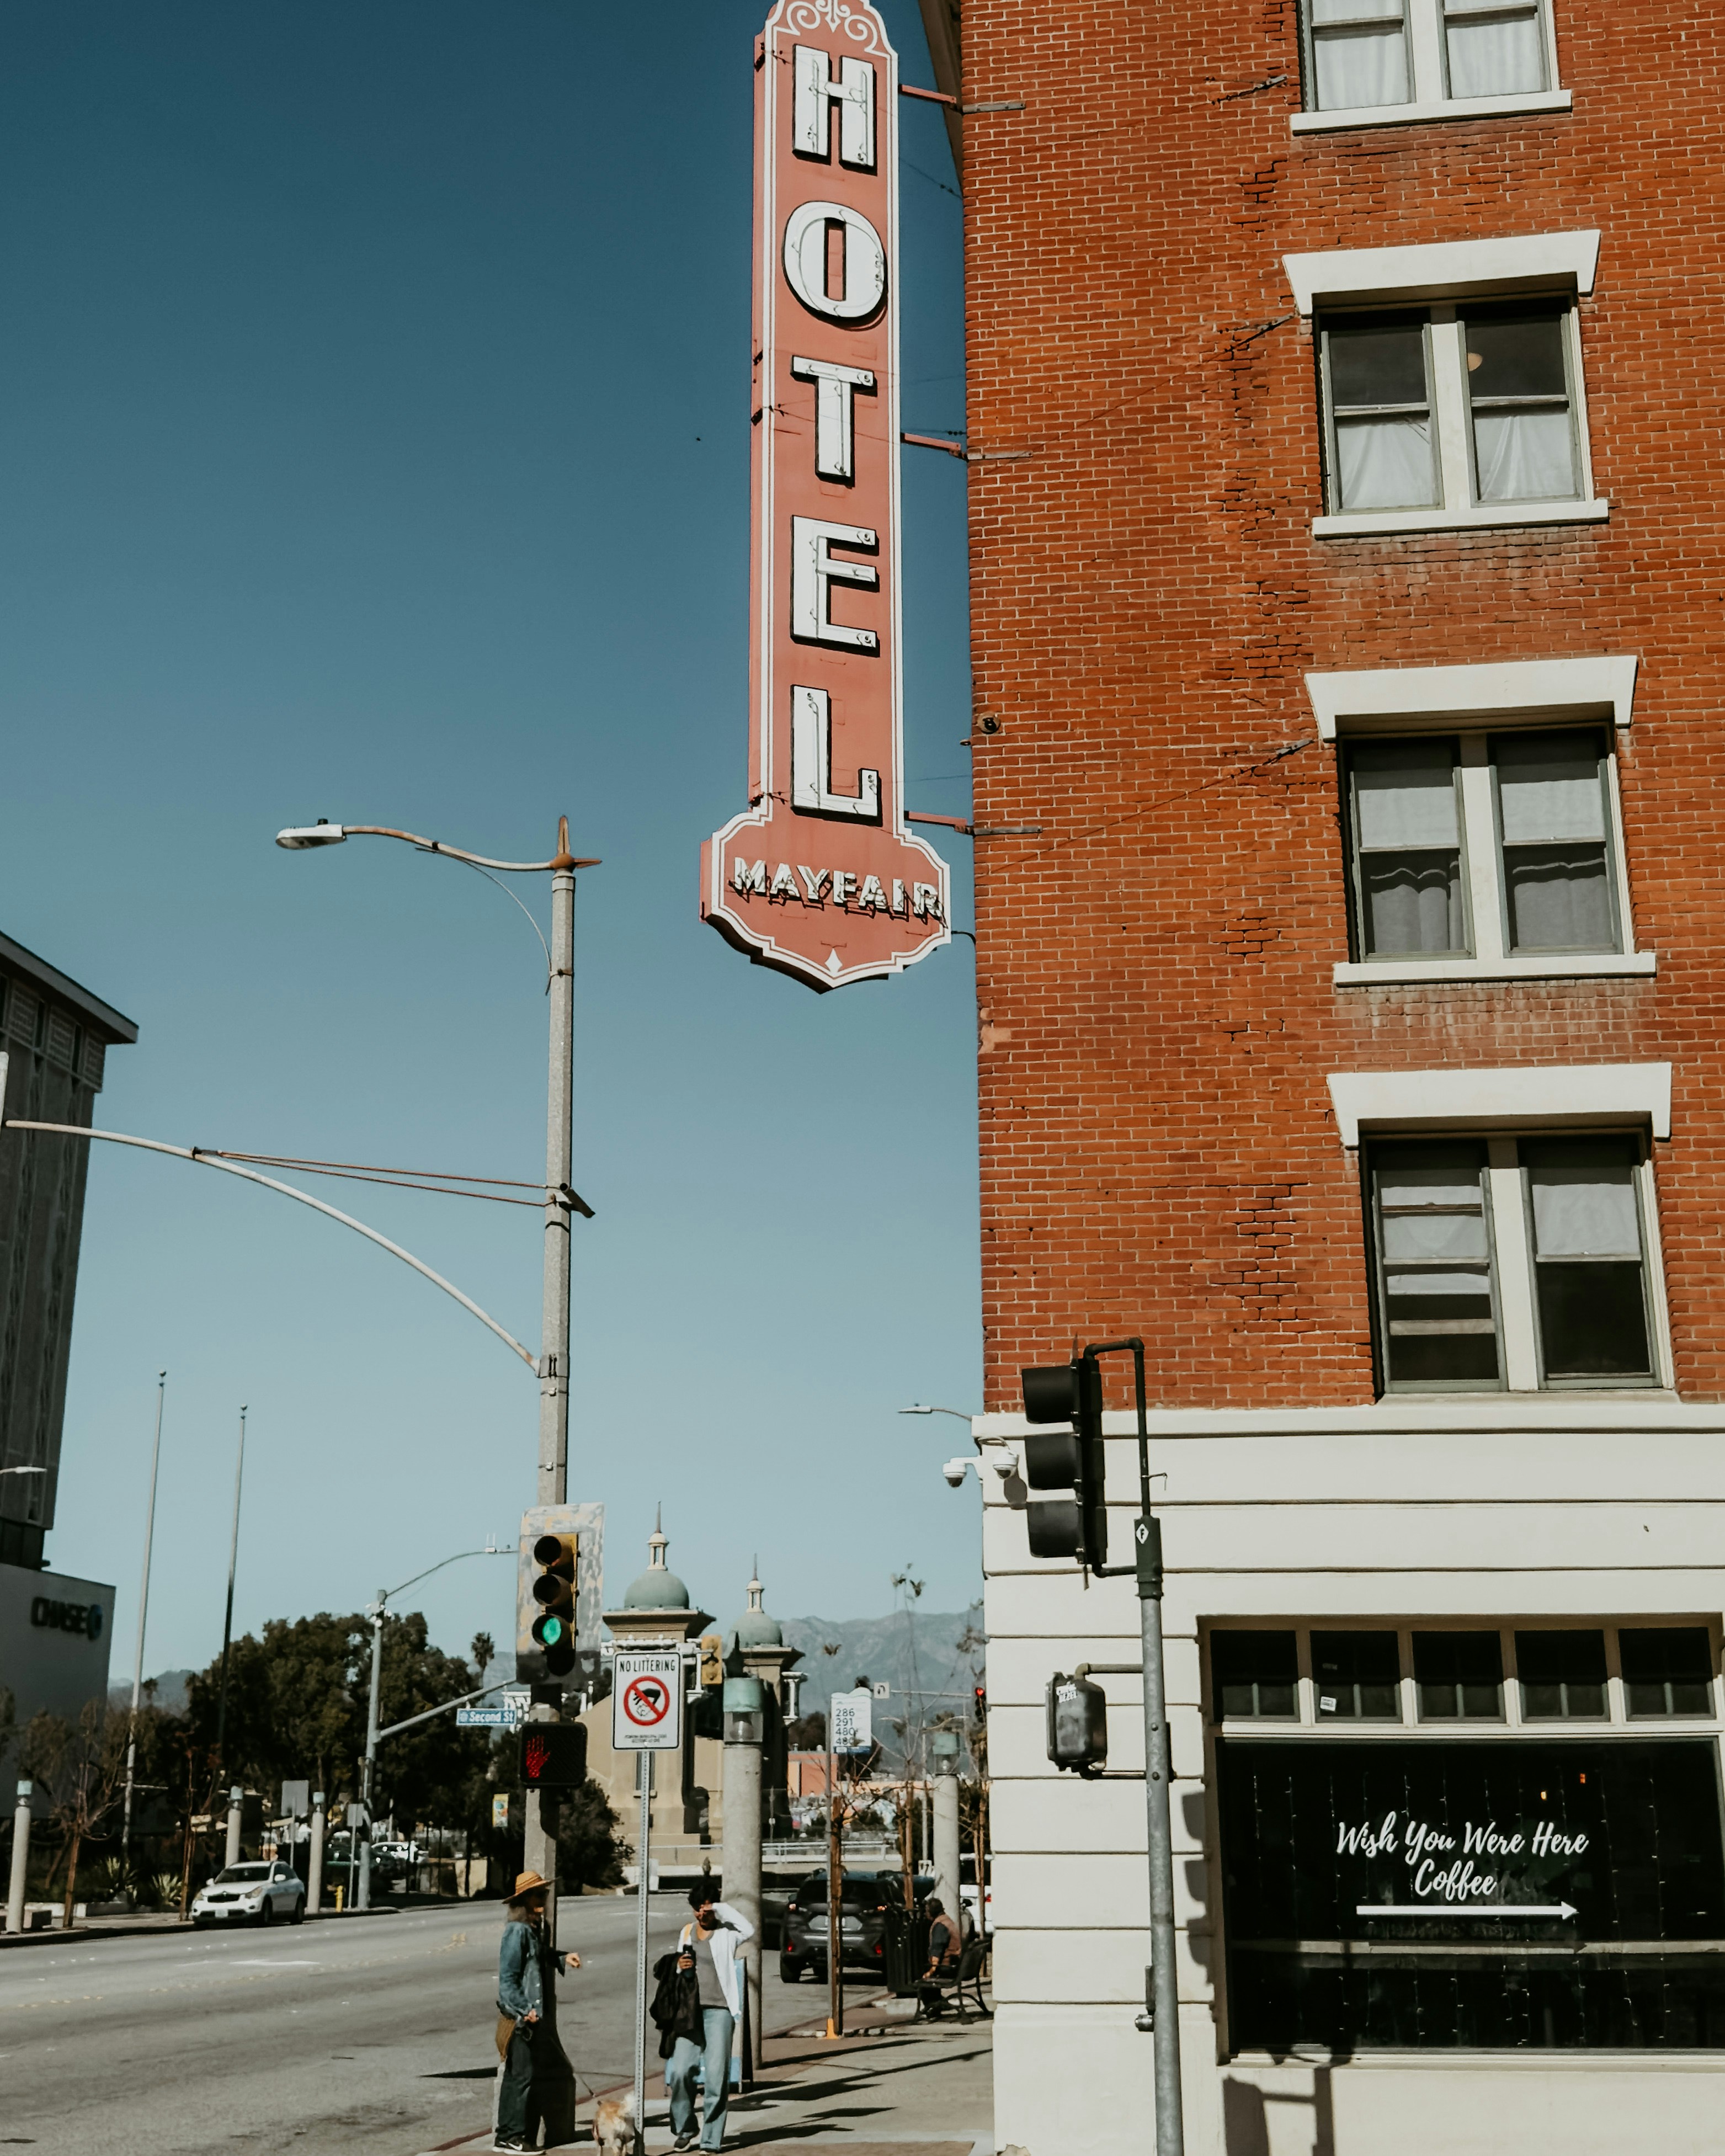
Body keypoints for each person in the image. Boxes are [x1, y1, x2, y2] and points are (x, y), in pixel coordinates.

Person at [663, 1882, 754, 2153]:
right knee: (680, 2072)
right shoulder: (687, 1933)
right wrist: (680, 1966)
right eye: (697, 1909)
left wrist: (719, 1907)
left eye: (706, 1908)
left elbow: (749, 1930)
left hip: (720, 2011)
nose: (701, 1914)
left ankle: (711, 2139)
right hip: (689, 2012)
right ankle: (685, 2127)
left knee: (716, 2077)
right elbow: (679, 1972)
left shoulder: (728, 1934)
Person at [496, 1868, 581, 2153]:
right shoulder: (516, 1931)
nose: (544, 1897)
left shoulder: (533, 1930)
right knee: (521, 2077)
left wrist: (561, 1957)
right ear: (524, 1900)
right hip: (521, 2020)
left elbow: (540, 1956)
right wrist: (524, 2011)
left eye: (544, 1892)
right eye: (538, 1894)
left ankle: (510, 2134)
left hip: (530, 2017)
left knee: (520, 2076)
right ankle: (511, 2136)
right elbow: (508, 1980)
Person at [919, 1896, 963, 2017]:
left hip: (948, 1968)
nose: (925, 1914)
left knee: (920, 1974)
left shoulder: (940, 1926)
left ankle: (933, 2005)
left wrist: (931, 1970)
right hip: (955, 1965)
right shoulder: (947, 1920)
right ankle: (937, 2003)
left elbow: (937, 1950)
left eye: (926, 1911)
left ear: (931, 1912)